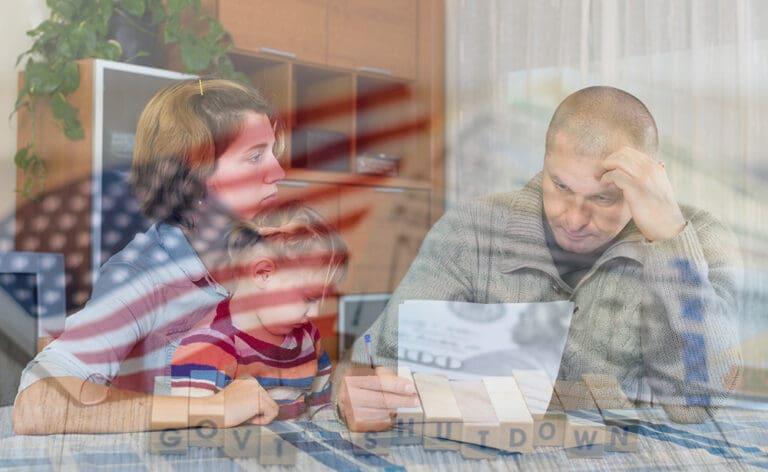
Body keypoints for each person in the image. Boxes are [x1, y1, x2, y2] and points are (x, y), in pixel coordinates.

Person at [337, 86, 743, 430]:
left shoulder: (700, 240)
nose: (575, 218)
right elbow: (376, 360)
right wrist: (353, 395)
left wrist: (670, 238)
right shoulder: (472, 229)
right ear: (545, 161)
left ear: (651, 178)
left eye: (604, 197)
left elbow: (698, 404)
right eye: (561, 186)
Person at [13, 79, 288, 434]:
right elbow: (37, 406)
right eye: (255, 157)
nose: (278, 172)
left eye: (272, 154)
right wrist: (210, 409)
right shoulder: (142, 275)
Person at [170, 202, 347, 423]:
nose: (315, 312)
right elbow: (190, 428)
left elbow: (322, 407)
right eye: (308, 298)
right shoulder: (206, 347)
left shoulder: (308, 338)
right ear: (263, 274)